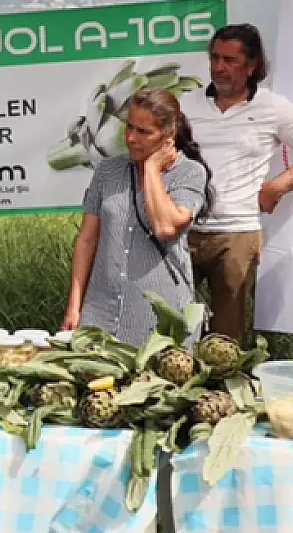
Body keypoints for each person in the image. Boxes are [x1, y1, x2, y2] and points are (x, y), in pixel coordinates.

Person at [181, 24, 293, 343]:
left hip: (237, 233)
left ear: (252, 66)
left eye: (229, 60)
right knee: (178, 323)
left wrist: (277, 186)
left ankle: (222, 391)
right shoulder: (185, 105)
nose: (218, 68)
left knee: (227, 333)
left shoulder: (273, 107)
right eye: (214, 58)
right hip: (183, 228)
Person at [62, 89, 211, 345]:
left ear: (168, 134)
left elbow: (165, 226)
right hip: (101, 312)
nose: (131, 138)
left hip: (160, 315)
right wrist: (74, 306)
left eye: (143, 132)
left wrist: (151, 168)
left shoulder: (190, 173)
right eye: (129, 127)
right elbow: (86, 240)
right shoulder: (108, 171)